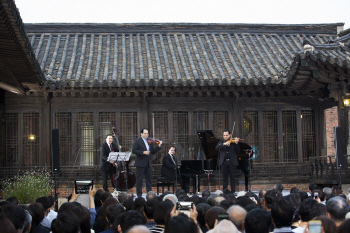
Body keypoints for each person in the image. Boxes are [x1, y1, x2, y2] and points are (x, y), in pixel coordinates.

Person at [132, 128, 162, 197]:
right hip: (140, 163)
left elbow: (153, 152)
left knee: (149, 180)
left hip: (148, 163)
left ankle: (149, 195)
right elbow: (134, 150)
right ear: (141, 134)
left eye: (147, 133)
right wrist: (143, 152)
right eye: (145, 133)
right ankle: (139, 195)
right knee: (139, 180)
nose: (146, 135)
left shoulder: (149, 141)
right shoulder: (137, 141)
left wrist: (159, 146)